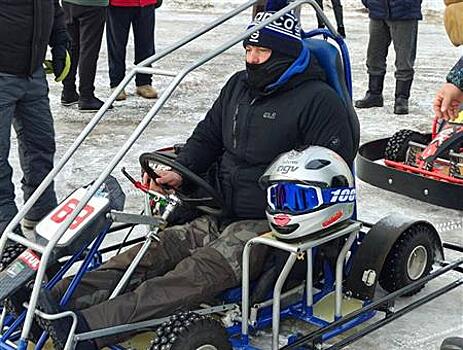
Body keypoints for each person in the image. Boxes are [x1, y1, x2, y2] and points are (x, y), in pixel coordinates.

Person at [29, 6, 359, 349]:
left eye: (262, 51)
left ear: (287, 53)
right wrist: (179, 171)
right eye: (248, 49)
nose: (253, 59)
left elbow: (330, 171)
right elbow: (207, 138)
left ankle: (87, 328)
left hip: (267, 227)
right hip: (217, 210)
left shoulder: (320, 102)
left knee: (187, 276)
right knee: (148, 255)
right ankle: (47, 300)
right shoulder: (238, 88)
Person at [0, 0, 69, 237]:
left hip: (32, 74)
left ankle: (41, 210)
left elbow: (53, 7)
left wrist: (60, 41)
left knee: (41, 144)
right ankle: (4, 224)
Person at [355, 0, 423, 115]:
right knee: (374, 57)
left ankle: (401, 98)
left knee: (404, 59)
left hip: (405, 12)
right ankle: (374, 93)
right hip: (378, 11)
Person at [60, 0, 110, 112]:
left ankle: (68, 91)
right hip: (92, 4)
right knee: (89, 50)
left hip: (69, 3)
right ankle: (86, 96)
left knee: (72, 47)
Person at [106, 0, 161, 101]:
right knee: (117, 46)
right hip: (118, 4)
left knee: (146, 45)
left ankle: (144, 82)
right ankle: (117, 84)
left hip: (146, 3)